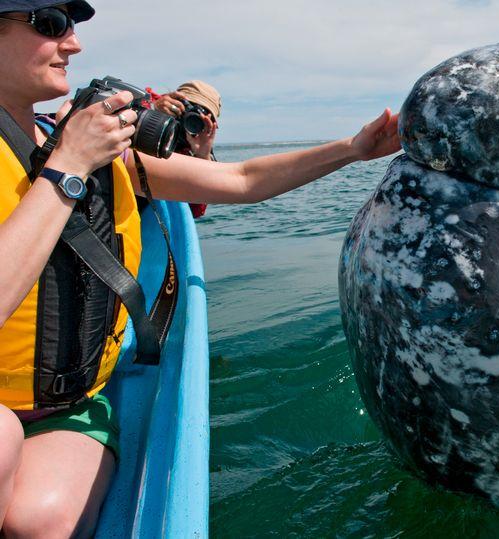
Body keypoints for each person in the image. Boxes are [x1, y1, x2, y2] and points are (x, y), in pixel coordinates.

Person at [0, 1, 400, 536]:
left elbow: (242, 180)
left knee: (40, 522)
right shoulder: (78, 153)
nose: (73, 44)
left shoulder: (106, 153)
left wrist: (352, 150)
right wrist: (69, 165)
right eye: (49, 25)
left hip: (64, 406)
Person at [152, 80, 221, 217]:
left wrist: (202, 156)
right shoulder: (148, 108)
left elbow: (195, 211)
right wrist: (153, 113)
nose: (191, 119)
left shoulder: (196, 149)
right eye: (190, 108)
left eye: (201, 115)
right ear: (175, 101)